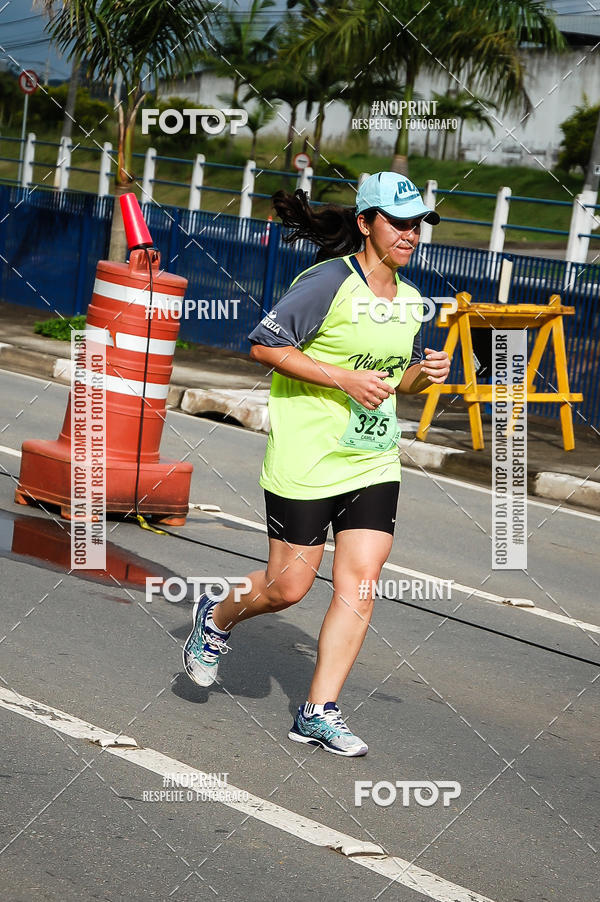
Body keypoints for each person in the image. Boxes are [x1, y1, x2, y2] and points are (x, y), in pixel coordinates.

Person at [183, 172, 450, 757]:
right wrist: (345, 378)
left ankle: (318, 710)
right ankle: (217, 617)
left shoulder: (409, 301)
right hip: (307, 459)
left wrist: (418, 377)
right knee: (287, 589)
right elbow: (265, 345)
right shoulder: (328, 282)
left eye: (418, 224)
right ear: (365, 223)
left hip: (373, 458)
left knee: (361, 583)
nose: (410, 233)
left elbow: (390, 381)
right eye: (398, 222)